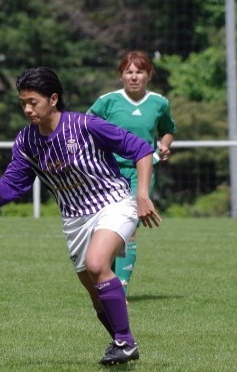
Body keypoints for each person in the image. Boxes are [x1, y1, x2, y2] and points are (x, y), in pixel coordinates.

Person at [0, 67, 161, 365]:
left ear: (53, 99)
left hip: (113, 203)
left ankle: (125, 343)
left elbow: (140, 149)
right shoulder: (26, 141)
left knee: (98, 264)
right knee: (95, 293)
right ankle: (122, 343)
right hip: (74, 219)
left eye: (32, 102)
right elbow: (10, 186)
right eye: (22, 102)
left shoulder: (86, 125)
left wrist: (141, 195)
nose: (26, 109)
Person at [88, 50, 176, 299]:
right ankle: (108, 280)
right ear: (121, 76)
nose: (134, 76)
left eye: (139, 71)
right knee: (108, 228)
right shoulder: (107, 101)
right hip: (109, 173)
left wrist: (164, 144)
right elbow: (86, 127)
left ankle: (120, 287)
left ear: (149, 75)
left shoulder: (159, 103)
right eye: (129, 71)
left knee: (129, 228)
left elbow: (168, 130)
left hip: (141, 172)